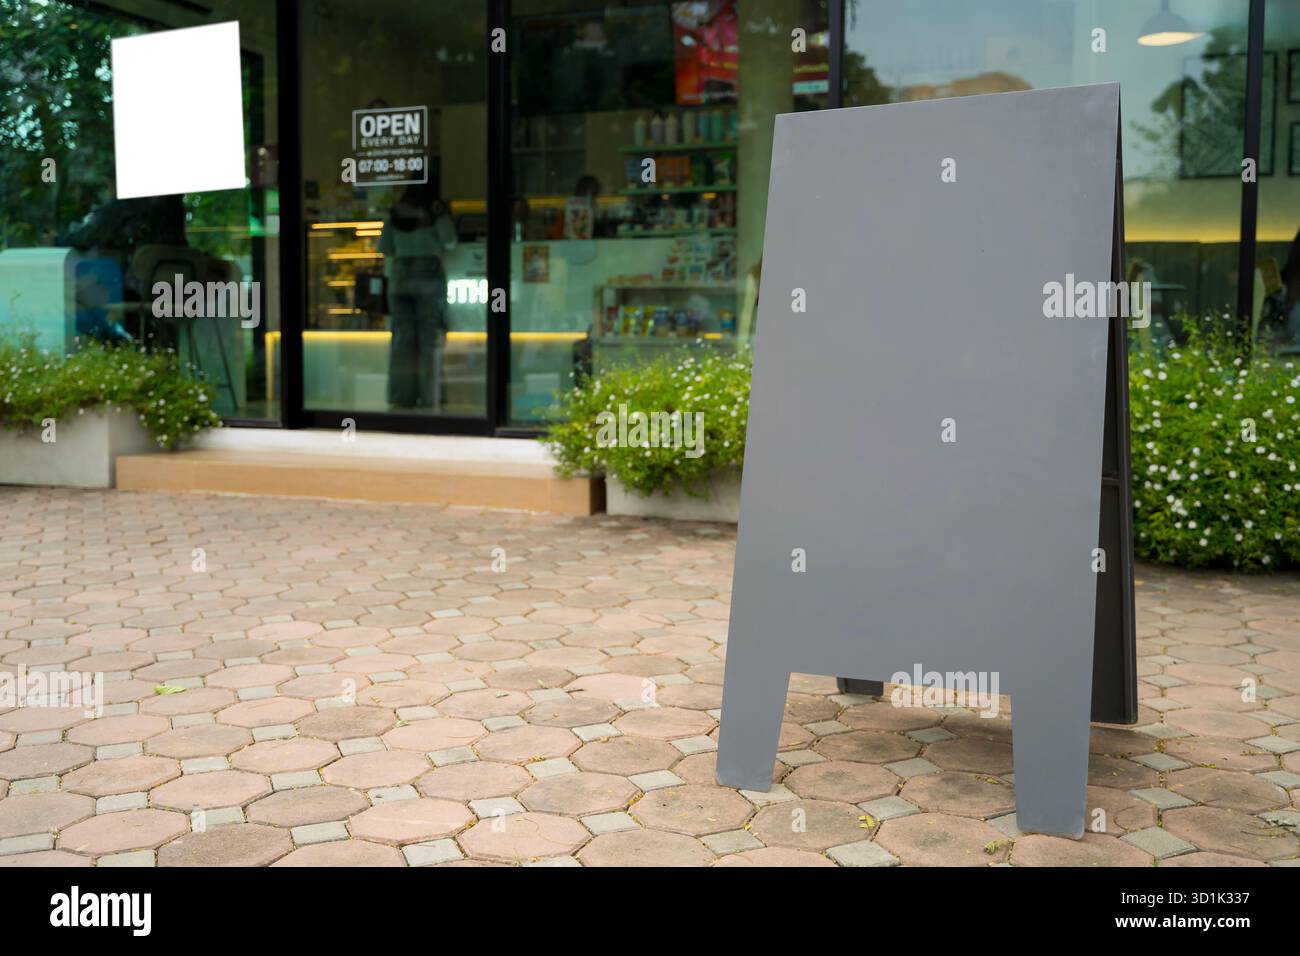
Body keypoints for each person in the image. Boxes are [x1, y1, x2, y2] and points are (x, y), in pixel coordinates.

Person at [379, 180, 457, 409]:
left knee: (402, 340)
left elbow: (384, 247)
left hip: (400, 277)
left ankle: (401, 396)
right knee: (428, 339)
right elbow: (450, 242)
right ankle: (429, 395)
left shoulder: (395, 214)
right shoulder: (435, 211)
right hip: (428, 276)